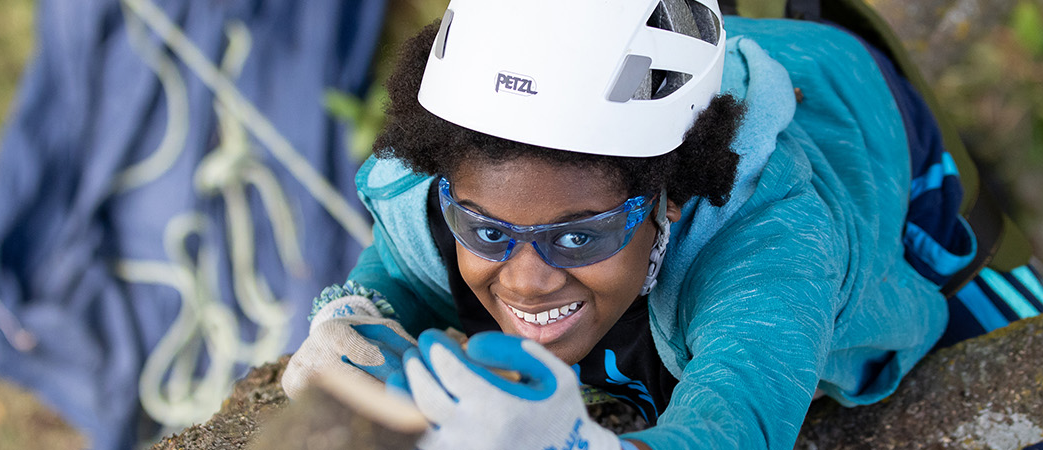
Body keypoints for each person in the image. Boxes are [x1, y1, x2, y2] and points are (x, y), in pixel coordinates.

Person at [280, 0, 952, 448]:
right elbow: (398, 265)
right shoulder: (443, 198)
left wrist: (573, 443)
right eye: (486, 232)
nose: (526, 281)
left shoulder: (770, 250)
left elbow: (737, 426)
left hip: (857, 110)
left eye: (578, 236)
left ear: (672, 202)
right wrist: (354, 316)